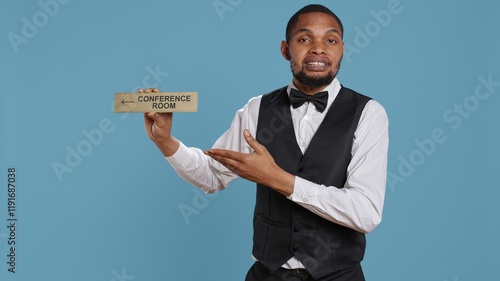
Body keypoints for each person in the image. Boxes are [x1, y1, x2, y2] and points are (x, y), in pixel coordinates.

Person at [142, 4, 389, 281]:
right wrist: (165, 141)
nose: (318, 49)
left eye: (330, 40)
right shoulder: (256, 109)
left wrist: (279, 179)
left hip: (339, 276)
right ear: (286, 49)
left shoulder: (369, 113)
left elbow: (366, 212)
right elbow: (212, 175)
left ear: (341, 49)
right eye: (305, 39)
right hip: (268, 274)